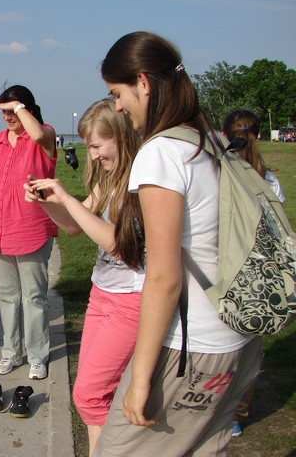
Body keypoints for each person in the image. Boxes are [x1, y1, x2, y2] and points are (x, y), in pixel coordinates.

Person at [92, 31, 263, 456]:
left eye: (117, 93)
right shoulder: (209, 140)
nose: (118, 106)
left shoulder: (162, 153)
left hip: (193, 346)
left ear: (143, 83)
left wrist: (141, 378)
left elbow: (164, 278)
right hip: (238, 336)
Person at [25, 99, 144, 455]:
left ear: (121, 137)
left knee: (90, 394)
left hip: (131, 300)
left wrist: (65, 196)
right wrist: (46, 202)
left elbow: (120, 246)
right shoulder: (110, 179)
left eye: (96, 146)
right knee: (95, 396)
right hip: (102, 293)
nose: (91, 155)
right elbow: (75, 226)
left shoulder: (140, 182)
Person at [0, 84, 58, 380]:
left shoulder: (44, 135)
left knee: (34, 297)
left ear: (27, 109)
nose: (7, 117)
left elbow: (36, 134)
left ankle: (37, 355)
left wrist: (19, 107)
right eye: (4, 111)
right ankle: (11, 352)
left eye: (11, 110)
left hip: (31, 228)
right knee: (8, 297)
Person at [222, 109, 285, 437]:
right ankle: (237, 414)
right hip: (261, 274)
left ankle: (216, 410)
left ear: (224, 135)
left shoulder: (222, 171)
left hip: (228, 269)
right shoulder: (269, 178)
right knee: (250, 349)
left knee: (222, 347)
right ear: (257, 134)